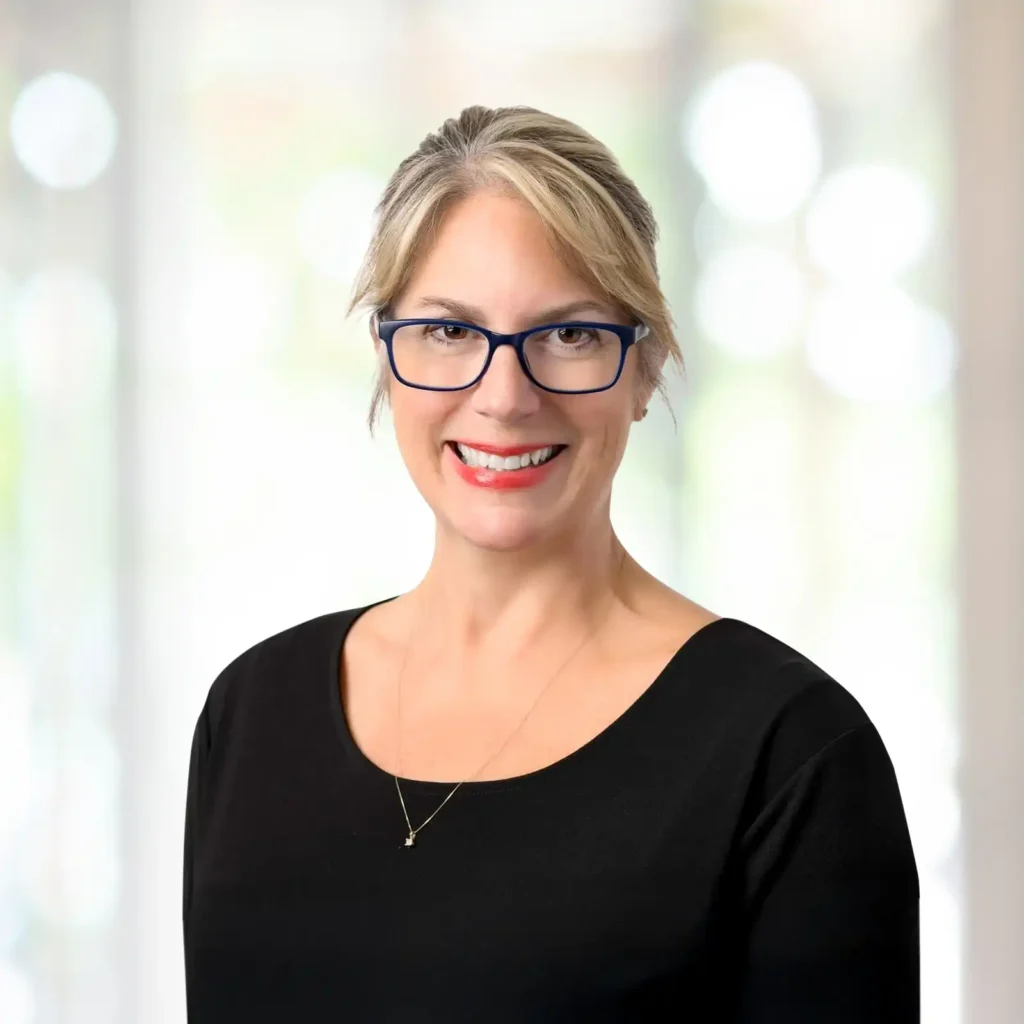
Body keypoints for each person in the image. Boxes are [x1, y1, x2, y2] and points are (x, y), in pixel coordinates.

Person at [182, 104, 920, 1022]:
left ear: (645, 371)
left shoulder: (789, 751)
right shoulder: (253, 711)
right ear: (386, 354)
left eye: (570, 334)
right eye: (450, 331)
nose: (503, 396)